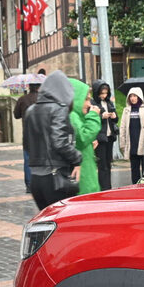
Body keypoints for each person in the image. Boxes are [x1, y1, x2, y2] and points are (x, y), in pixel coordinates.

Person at [23, 70, 82, 209]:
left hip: (36, 177)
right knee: (60, 222)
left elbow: (27, 144)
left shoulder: (31, 110)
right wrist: (77, 158)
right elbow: (60, 142)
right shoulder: (59, 109)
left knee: (46, 222)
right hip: (55, 176)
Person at [70, 78, 103, 194]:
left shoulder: (77, 116)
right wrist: (93, 116)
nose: (89, 104)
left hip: (86, 179)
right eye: (86, 99)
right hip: (83, 182)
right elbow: (82, 138)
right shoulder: (72, 116)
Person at [118, 87, 144, 183]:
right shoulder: (126, 110)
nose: (132, 98)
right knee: (134, 169)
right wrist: (122, 143)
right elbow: (123, 128)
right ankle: (136, 187)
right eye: (131, 96)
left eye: (135, 96)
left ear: (139, 97)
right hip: (132, 143)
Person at [14, 82, 42, 193]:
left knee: (28, 160)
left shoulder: (22, 99)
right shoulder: (42, 99)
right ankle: (40, 183)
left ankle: (29, 185)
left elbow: (16, 115)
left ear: (29, 87)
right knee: (41, 159)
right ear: (39, 87)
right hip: (41, 134)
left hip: (28, 134)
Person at [91, 80, 117, 191]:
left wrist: (114, 116)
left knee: (108, 162)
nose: (103, 95)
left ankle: (108, 186)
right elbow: (91, 117)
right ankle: (104, 187)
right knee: (102, 165)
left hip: (110, 136)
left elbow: (116, 120)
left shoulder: (109, 103)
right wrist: (102, 116)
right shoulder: (93, 103)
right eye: (101, 93)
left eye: (105, 93)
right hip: (100, 138)